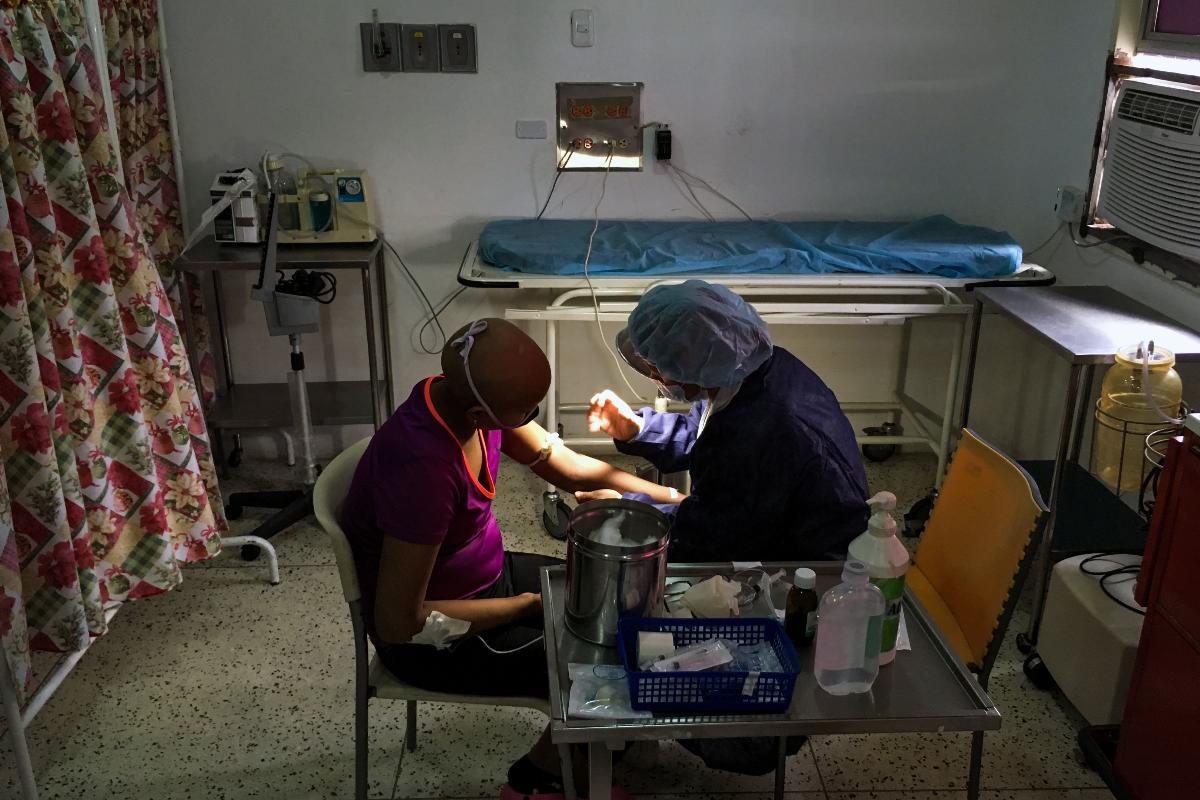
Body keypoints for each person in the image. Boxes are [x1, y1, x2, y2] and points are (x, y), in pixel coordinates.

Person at [341, 318, 669, 799]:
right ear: (481, 412)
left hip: (487, 579)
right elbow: (399, 622)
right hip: (434, 638)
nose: (533, 418)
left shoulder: (452, 397)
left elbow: (564, 466)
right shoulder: (424, 469)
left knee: (615, 599)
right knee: (606, 670)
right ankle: (537, 777)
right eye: (526, 411)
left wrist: (662, 499)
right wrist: (526, 607)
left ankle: (596, 742)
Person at [583, 279, 870, 562]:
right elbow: (708, 434)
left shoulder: (764, 430)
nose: (656, 376)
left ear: (697, 361)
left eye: (658, 367)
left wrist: (628, 512)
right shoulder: (748, 371)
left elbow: (713, 533)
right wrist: (637, 428)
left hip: (812, 569)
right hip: (767, 524)